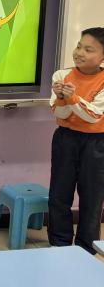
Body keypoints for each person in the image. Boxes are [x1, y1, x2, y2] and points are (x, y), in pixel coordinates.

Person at [48, 27, 104, 255]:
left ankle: (86, 249)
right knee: (59, 194)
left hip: (97, 144)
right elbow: (59, 113)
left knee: (92, 197)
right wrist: (62, 98)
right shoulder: (61, 75)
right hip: (66, 139)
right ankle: (59, 245)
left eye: (89, 50)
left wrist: (71, 97)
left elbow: (93, 116)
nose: (80, 53)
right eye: (79, 46)